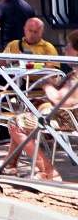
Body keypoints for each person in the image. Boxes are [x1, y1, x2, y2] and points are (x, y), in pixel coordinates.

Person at [5, 30, 78, 181]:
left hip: (68, 120)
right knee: (22, 119)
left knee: (16, 123)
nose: (64, 49)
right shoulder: (73, 73)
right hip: (65, 115)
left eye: (68, 46)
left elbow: (61, 100)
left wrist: (46, 85)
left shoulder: (76, 76)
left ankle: (49, 171)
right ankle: (10, 165)